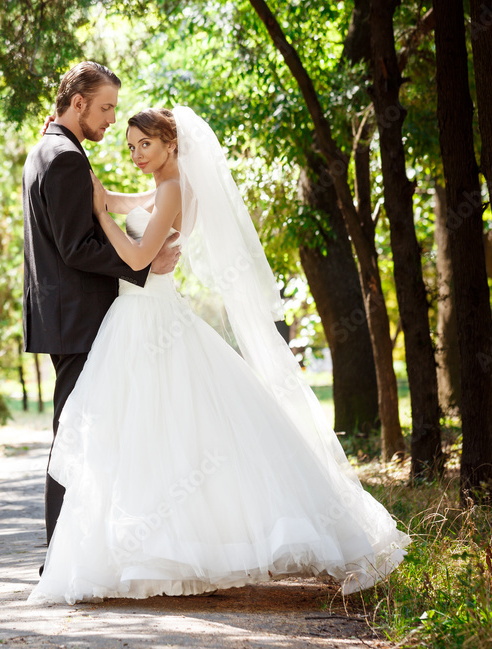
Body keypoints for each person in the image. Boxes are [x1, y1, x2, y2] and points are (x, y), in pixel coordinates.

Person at [28, 107, 411, 604]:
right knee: (154, 432)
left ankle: (163, 550)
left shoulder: (171, 189)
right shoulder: (169, 185)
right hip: (142, 316)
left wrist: (100, 215)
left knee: (149, 429)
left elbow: (139, 258)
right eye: (130, 146)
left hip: (148, 316)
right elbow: (127, 202)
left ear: (171, 143)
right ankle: (155, 547)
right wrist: (88, 178)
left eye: (145, 144)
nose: (136, 154)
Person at [22, 62, 182, 567]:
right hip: (78, 317)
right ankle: (61, 557)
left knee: (83, 431)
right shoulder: (66, 158)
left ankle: (78, 552)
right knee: (73, 433)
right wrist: (143, 263)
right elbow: (76, 247)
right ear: (78, 103)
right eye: (106, 107)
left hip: (64, 315)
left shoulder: (46, 150)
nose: (112, 120)